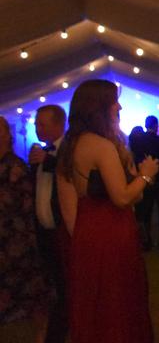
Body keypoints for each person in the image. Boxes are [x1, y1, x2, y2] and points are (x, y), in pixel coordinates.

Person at [56, 80, 158, 343]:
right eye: (115, 102)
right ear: (100, 107)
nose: (119, 106)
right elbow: (123, 197)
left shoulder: (70, 146)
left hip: (86, 232)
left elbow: (68, 209)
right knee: (118, 302)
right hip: (112, 232)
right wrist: (146, 176)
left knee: (95, 305)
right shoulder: (101, 146)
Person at [1, 115, 51, 335]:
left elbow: (26, 208)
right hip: (8, 241)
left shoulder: (15, 167)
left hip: (17, 243)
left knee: (32, 299)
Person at [30, 104, 69, 343]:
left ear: (58, 124)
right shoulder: (42, 151)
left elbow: (71, 173)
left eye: (42, 123)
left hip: (63, 231)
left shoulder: (68, 150)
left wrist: (48, 160)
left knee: (65, 288)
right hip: (45, 232)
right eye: (36, 123)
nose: (37, 128)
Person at [132, 115, 159, 250]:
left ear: (146, 125)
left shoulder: (139, 141)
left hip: (146, 179)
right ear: (156, 126)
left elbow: (137, 159)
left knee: (146, 212)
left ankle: (146, 242)